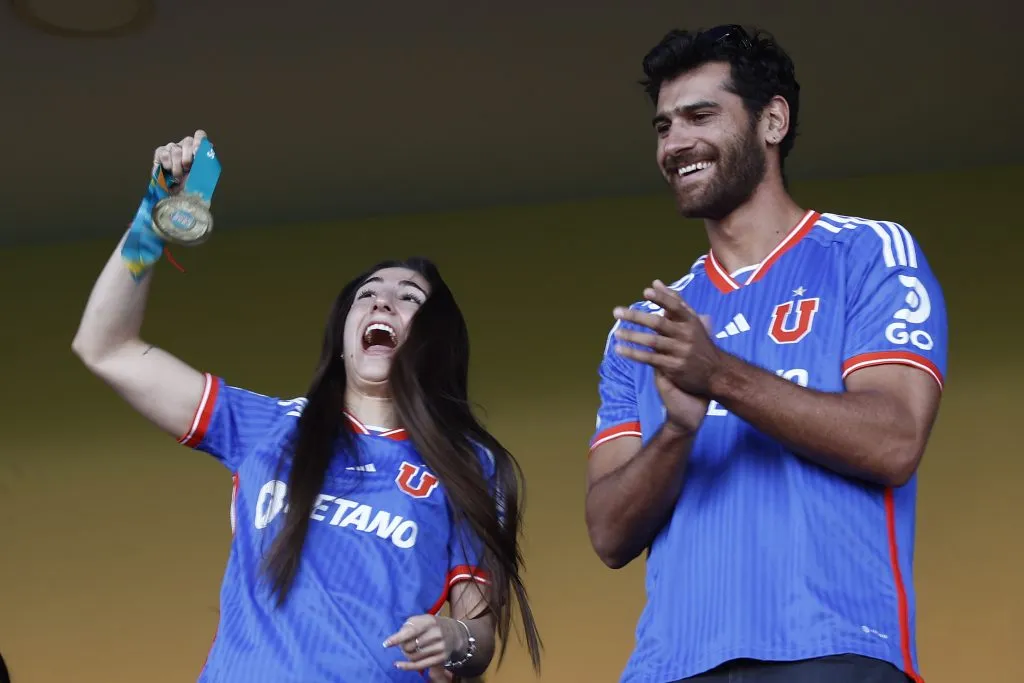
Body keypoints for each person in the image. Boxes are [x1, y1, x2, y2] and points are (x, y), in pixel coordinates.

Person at [72, 131, 542, 682]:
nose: (381, 300)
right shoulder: (270, 428)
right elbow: (105, 346)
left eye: (408, 298)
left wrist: (454, 637)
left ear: (436, 340)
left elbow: (479, 636)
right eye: (367, 294)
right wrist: (153, 217)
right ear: (344, 336)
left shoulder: (468, 466)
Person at [584, 25, 946, 683]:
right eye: (663, 126)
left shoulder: (868, 255)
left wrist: (719, 373)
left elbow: (894, 440)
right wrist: (677, 431)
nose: (675, 143)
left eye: (700, 116)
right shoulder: (647, 328)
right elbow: (608, 533)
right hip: (669, 667)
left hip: (833, 651)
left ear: (772, 120)